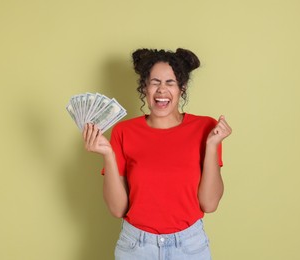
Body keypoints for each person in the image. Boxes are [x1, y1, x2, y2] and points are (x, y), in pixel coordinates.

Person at [82, 48, 232, 260]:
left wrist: (212, 145)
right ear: (145, 87)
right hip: (135, 247)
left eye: (170, 82)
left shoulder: (206, 128)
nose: (162, 90)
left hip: (189, 246)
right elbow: (118, 209)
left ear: (182, 87)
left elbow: (209, 204)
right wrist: (107, 155)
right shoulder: (124, 132)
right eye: (154, 82)